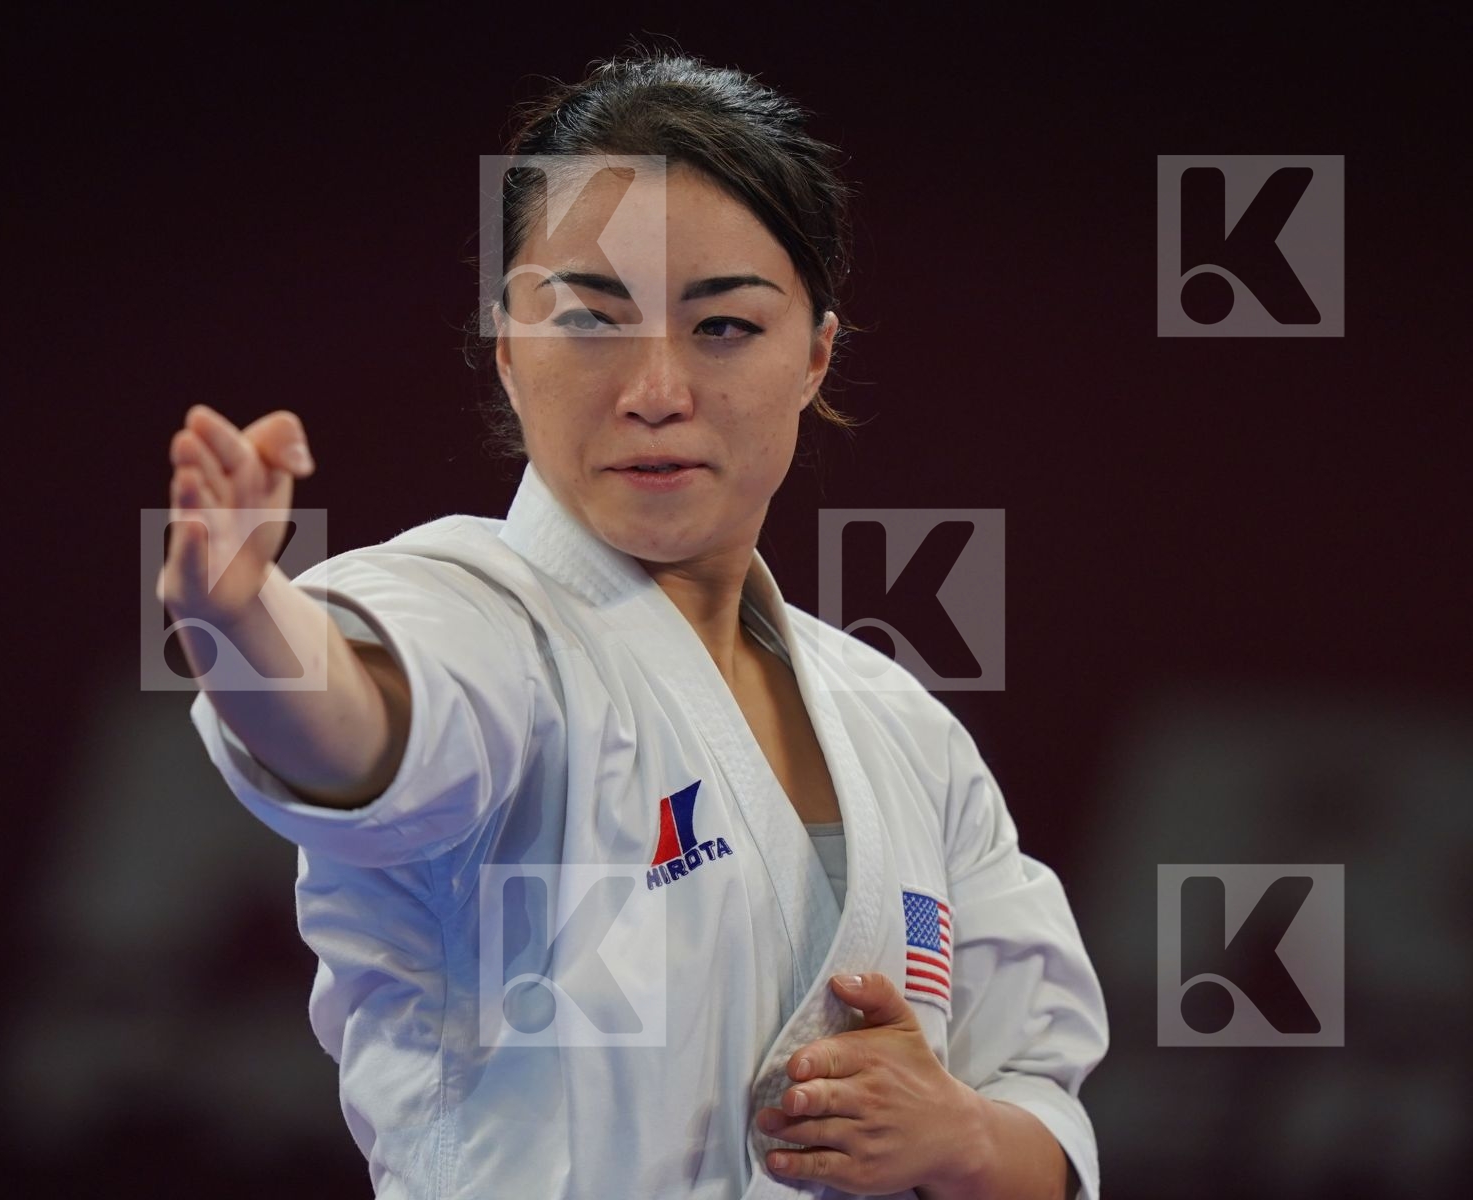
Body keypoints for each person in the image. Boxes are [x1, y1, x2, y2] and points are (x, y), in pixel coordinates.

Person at [159, 44, 1107, 1200]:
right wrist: (242, 613)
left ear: (815, 354)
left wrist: (958, 1137)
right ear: (508, 346)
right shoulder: (483, 617)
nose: (655, 386)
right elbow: (357, 723)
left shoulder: (901, 725)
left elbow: (1039, 1105)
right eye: (589, 320)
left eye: (724, 327)